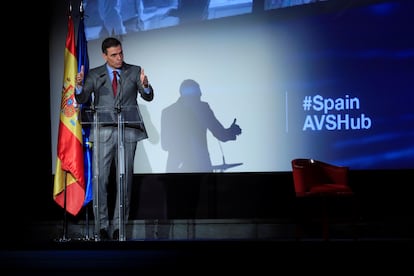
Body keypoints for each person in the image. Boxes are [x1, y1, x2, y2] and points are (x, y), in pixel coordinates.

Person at [75, 37, 154, 241]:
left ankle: (119, 227)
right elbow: (83, 99)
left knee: (124, 179)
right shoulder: (95, 75)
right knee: (100, 178)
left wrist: (145, 86)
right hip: (102, 132)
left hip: (127, 131)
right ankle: (101, 226)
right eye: (114, 55)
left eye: (121, 53)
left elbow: (148, 96)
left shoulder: (134, 71)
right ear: (105, 56)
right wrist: (78, 88)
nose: (119, 58)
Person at [160, 79, 241, 219]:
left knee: (192, 214)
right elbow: (165, 144)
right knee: (180, 213)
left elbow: (220, 133)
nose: (201, 94)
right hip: (183, 170)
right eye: (198, 92)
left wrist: (231, 132)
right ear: (191, 94)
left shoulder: (199, 109)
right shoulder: (176, 111)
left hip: (190, 169)